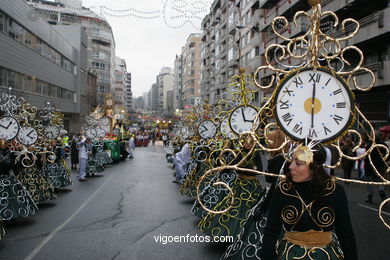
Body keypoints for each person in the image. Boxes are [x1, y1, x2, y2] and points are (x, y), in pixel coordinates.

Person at [261, 141, 357, 260]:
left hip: (325, 255)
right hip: (290, 255)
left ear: (315, 167)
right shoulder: (284, 189)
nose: (291, 166)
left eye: (299, 163)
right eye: (292, 160)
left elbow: (345, 232)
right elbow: (271, 229)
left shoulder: (335, 191)